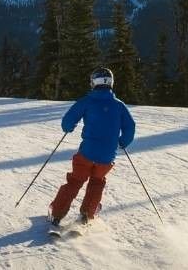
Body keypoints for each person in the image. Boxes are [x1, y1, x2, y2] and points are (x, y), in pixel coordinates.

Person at [48, 67, 135, 229]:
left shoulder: (87, 101)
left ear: (93, 82)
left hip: (87, 153)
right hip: (107, 156)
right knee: (97, 182)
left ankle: (57, 214)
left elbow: (67, 120)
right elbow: (130, 127)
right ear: (111, 83)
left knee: (75, 181)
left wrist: (69, 127)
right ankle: (87, 214)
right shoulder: (119, 105)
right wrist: (123, 142)